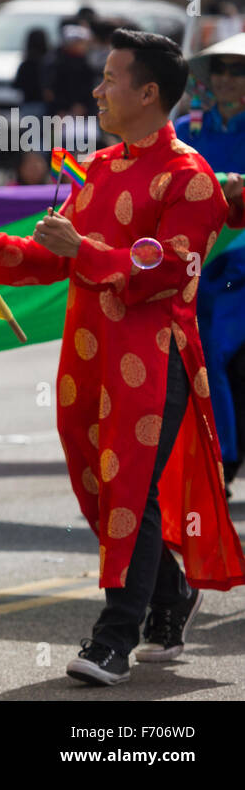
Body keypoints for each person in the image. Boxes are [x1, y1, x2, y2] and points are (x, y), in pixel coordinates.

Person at [0, 29, 245, 687]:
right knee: (99, 487)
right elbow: (52, 254)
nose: (98, 89)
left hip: (153, 356)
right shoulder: (101, 167)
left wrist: (83, 250)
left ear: (149, 92)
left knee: (128, 489)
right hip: (88, 354)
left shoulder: (191, 179)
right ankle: (170, 593)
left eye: (111, 78)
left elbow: (166, 267)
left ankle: (114, 637)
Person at [175, 35, 245, 484]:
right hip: (193, 265)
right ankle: (212, 462)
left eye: (234, 71)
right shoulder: (187, 131)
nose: (223, 79)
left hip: (239, 268)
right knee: (194, 358)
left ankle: (220, 459)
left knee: (214, 354)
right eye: (217, 70)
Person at [13, 27, 50, 131]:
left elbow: (17, 84)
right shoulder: (49, 62)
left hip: (28, 105)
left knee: (31, 139)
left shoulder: (25, 64)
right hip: (46, 106)